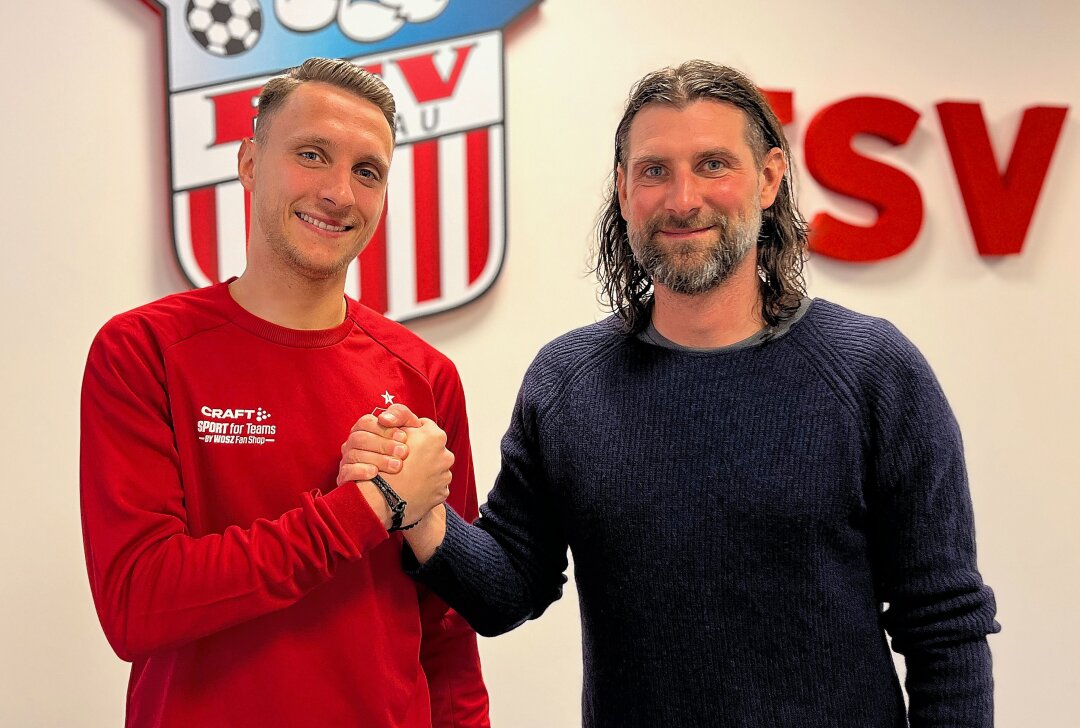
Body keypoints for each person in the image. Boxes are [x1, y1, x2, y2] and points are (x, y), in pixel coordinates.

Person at [339, 60, 1000, 727]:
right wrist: (419, 511)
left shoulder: (873, 371)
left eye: (714, 164)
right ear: (624, 191)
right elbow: (510, 587)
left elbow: (943, 624)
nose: (683, 199)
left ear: (769, 179)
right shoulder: (568, 383)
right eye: (655, 170)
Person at [80, 58, 489, 728]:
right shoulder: (143, 352)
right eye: (311, 154)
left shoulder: (424, 376)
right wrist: (367, 505)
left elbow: (448, 633)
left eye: (368, 171)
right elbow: (138, 604)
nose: (339, 192)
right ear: (248, 163)